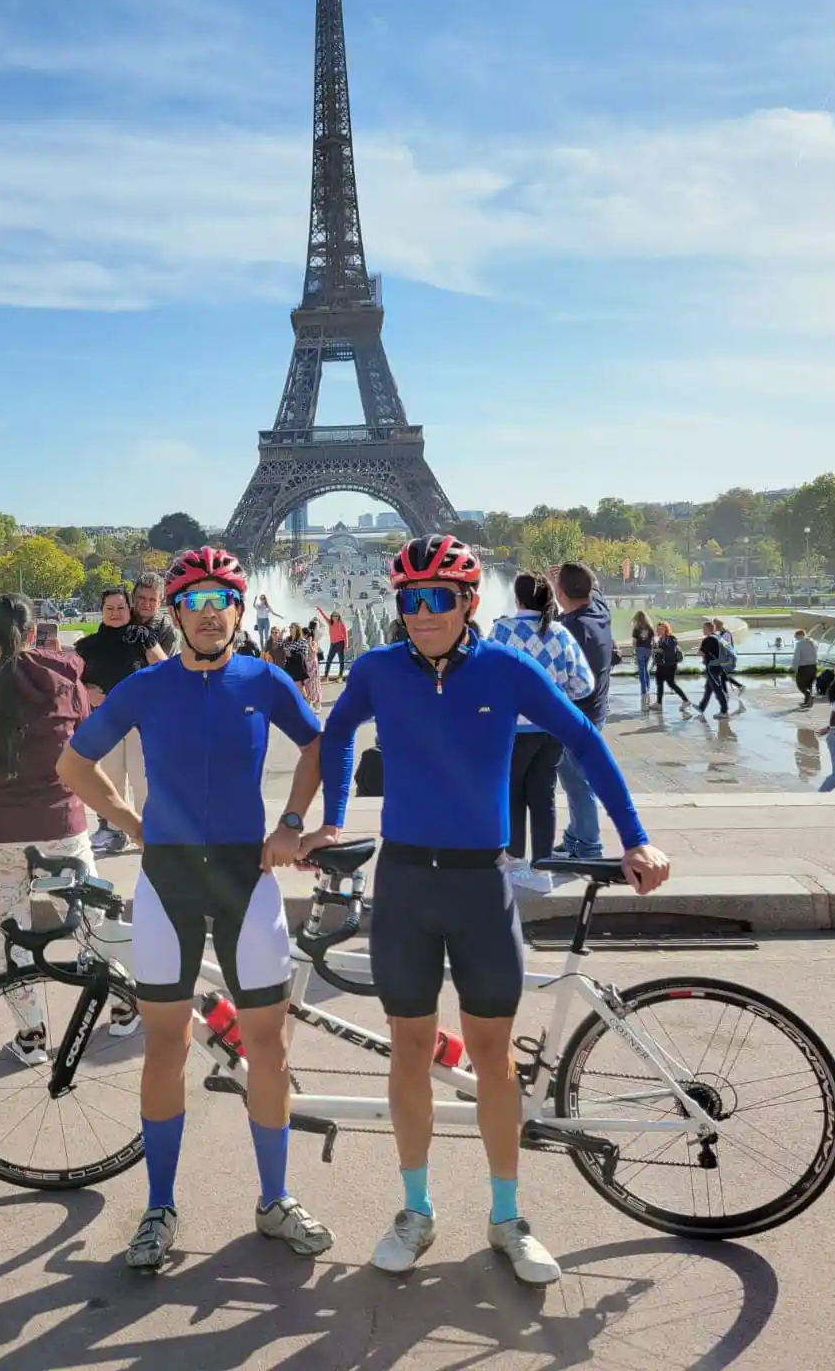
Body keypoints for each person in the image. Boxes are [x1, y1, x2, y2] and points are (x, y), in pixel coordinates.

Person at [307, 535, 669, 1284]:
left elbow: (585, 739)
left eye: (437, 597)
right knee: (408, 1051)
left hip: (480, 883)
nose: (421, 612)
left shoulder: (507, 666)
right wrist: (333, 818)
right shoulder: (375, 669)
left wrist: (636, 838)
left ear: (470, 601)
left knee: (494, 1058)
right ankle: (416, 1211)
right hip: (405, 883)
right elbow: (336, 735)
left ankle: (506, 1219)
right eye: (408, 600)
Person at [56, 546, 333, 1271]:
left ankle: (273, 1199)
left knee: (268, 1048)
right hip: (170, 879)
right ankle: (159, 1206)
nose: (211, 613)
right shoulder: (147, 687)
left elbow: (318, 746)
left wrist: (294, 824)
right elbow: (71, 765)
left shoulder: (265, 677)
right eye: (196, 601)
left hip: (246, 877)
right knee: (167, 1048)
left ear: (241, 611)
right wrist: (134, 823)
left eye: (224, 601)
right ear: (175, 613)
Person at [0, 594, 98, 1062]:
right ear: (33, 634)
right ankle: (121, 1007)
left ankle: (31, 1036)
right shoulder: (66, 681)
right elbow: (85, 745)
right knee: (91, 921)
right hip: (58, 824)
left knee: (8, 934)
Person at [491, 572, 595, 894]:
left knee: (513, 794)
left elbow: (487, 676)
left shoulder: (502, 629)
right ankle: (543, 868)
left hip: (516, 729)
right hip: (552, 729)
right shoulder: (560, 632)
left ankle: (517, 862)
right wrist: (557, 697)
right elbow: (584, 683)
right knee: (543, 796)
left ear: (518, 598)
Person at [74, 587, 165, 855]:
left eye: (120, 608)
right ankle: (114, 830)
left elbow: (164, 669)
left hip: (141, 722)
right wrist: (87, 693)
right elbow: (71, 682)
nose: (115, 613)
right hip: (106, 722)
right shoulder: (87, 646)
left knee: (143, 778)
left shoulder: (142, 637)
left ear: (129, 610)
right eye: (110, 609)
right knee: (111, 779)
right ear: (101, 611)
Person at [553, 563, 616, 861]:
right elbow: (597, 589)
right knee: (576, 780)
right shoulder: (600, 612)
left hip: (578, 718)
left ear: (560, 592)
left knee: (578, 783)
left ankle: (589, 845)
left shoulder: (570, 630)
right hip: (596, 710)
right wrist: (582, 572)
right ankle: (576, 837)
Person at [131, 571, 179, 657]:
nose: (146, 604)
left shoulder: (167, 631)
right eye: (142, 598)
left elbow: (166, 668)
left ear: (160, 601)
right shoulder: (121, 619)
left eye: (152, 600)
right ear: (133, 597)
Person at [652, 621, 692, 714]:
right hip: (660, 665)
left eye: (661, 629)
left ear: (666, 629)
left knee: (671, 684)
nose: (659, 631)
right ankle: (659, 703)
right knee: (659, 684)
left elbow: (670, 650)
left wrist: (659, 649)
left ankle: (686, 700)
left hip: (669, 665)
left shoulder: (671, 639)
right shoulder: (660, 639)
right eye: (658, 629)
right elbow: (657, 652)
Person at [696, 622, 730, 719]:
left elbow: (700, 653)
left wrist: (699, 652)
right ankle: (701, 707)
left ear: (707, 629)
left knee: (717, 689)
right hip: (719, 666)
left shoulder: (708, 639)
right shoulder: (718, 637)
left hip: (712, 668)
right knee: (708, 688)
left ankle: (724, 711)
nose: (702, 630)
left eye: (703, 628)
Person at [711, 619, 746, 711]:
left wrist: (717, 637)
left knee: (722, 676)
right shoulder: (722, 634)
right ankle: (738, 687)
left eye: (715, 627)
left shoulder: (725, 634)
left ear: (718, 627)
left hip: (729, 659)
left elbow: (726, 645)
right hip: (725, 659)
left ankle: (727, 694)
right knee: (723, 676)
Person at [631, 610, 655, 711]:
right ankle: (648, 690)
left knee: (642, 671)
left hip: (640, 649)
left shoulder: (636, 629)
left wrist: (634, 650)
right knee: (646, 670)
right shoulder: (650, 628)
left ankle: (644, 692)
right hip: (648, 650)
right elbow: (653, 641)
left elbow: (634, 642)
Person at [316, 608, 348, 679]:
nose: (335, 617)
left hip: (340, 643)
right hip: (333, 644)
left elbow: (346, 635)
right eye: (333, 616)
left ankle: (340, 676)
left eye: (336, 616)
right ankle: (326, 676)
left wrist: (346, 646)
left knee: (341, 661)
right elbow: (324, 616)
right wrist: (320, 610)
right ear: (332, 617)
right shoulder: (330, 622)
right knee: (328, 660)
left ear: (338, 616)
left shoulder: (341, 624)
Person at [282, 622, 311, 697]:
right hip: (288, 665)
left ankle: (306, 705)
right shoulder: (287, 639)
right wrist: (281, 632)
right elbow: (278, 642)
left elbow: (305, 655)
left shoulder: (302, 641)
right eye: (290, 627)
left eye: (292, 627)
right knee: (290, 687)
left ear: (297, 629)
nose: (290, 629)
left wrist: (292, 654)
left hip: (297, 667)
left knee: (300, 688)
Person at [792, 629, 819, 709]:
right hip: (813, 666)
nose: (795, 638)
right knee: (809, 685)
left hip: (804, 667)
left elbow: (797, 657)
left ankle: (809, 696)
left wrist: (794, 667)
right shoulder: (813, 642)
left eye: (796, 636)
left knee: (800, 684)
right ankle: (808, 702)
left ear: (800, 635)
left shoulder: (800, 644)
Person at [303, 618, 323, 710]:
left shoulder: (314, 641)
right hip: (307, 664)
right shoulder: (304, 641)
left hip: (313, 664)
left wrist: (310, 642)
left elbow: (313, 651)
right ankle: (309, 702)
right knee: (307, 683)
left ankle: (317, 704)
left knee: (314, 683)